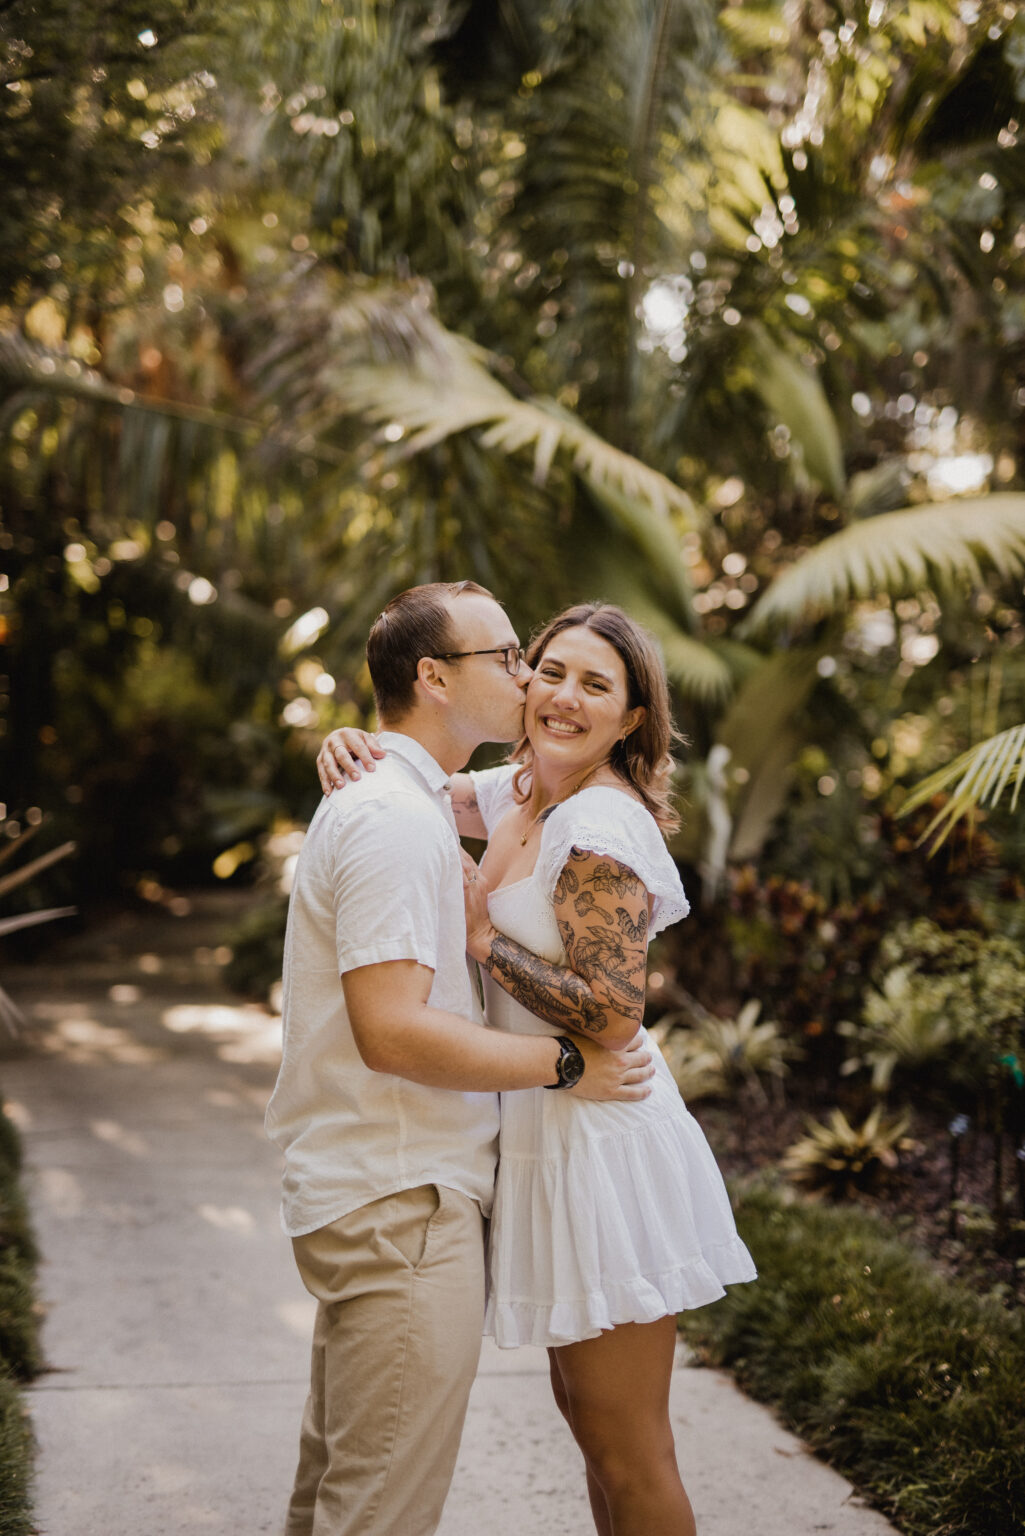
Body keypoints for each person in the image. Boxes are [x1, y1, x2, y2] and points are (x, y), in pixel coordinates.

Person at [318, 601, 756, 1536]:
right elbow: (419, 776)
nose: (560, 696)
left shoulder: (597, 821)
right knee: (591, 1431)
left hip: (602, 1138)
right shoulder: (517, 791)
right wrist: (350, 739)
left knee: (628, 1448)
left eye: (596, 685)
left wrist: (484, 942)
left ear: (632, 719)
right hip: (548, 1129)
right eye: (548, 670)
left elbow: (612, 1007)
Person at [266, 581, 655, 1536]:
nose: (531, 681)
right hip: (405, 1194)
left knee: (349, 1488)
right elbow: (392, 1031)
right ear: (435, 676)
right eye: (518, 659)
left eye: (574, 676)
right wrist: (565, 1067)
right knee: (376, 1507)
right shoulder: (406, 812)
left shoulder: (432, 800)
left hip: (438, 1177)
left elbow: (611, 1002)